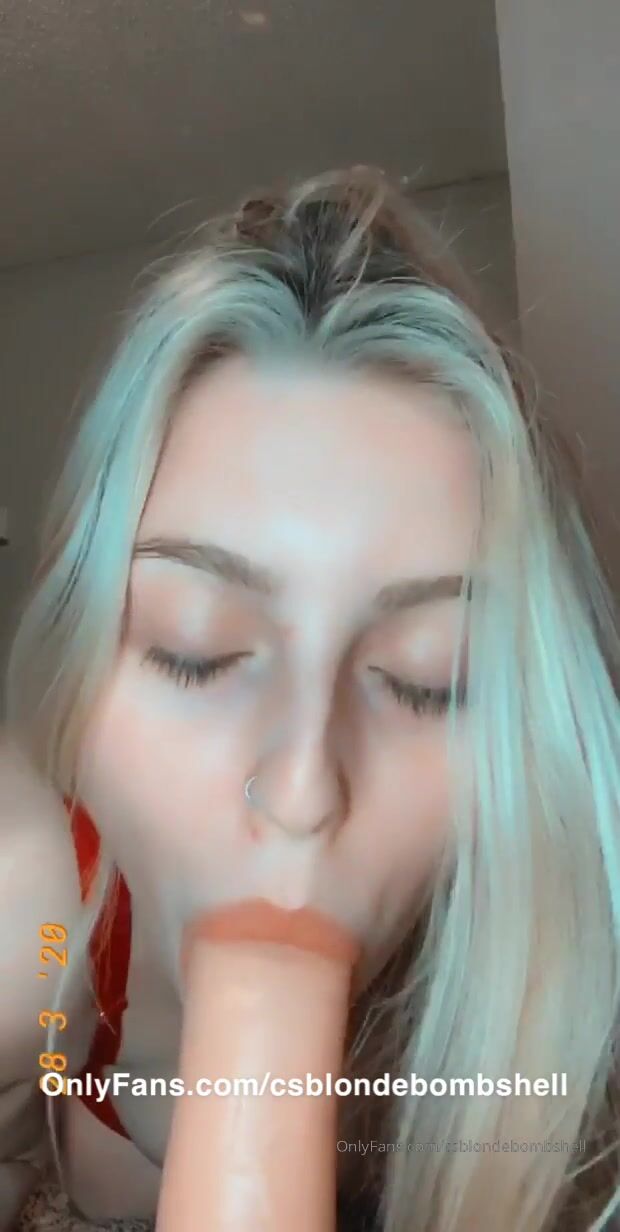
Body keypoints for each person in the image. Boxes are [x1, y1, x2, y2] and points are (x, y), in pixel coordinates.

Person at [0, 164, 618, 1232]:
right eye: (195, 650)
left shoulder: (555, 1087)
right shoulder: (34, 933)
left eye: (430, 677)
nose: (300, 787)